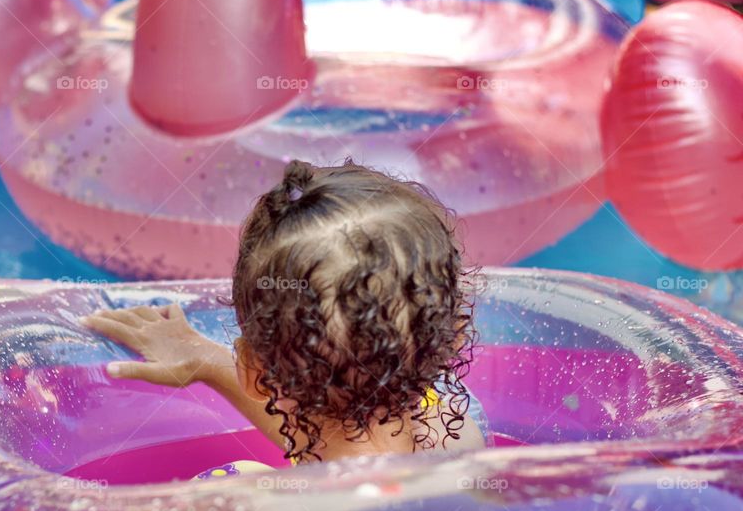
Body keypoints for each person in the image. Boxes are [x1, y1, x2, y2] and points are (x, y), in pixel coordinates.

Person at [84, 159, 486, 466]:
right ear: (453, 340)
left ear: (254, 372)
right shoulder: (461, 442)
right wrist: (208, 362)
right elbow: (348, 445)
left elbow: (326, 438)